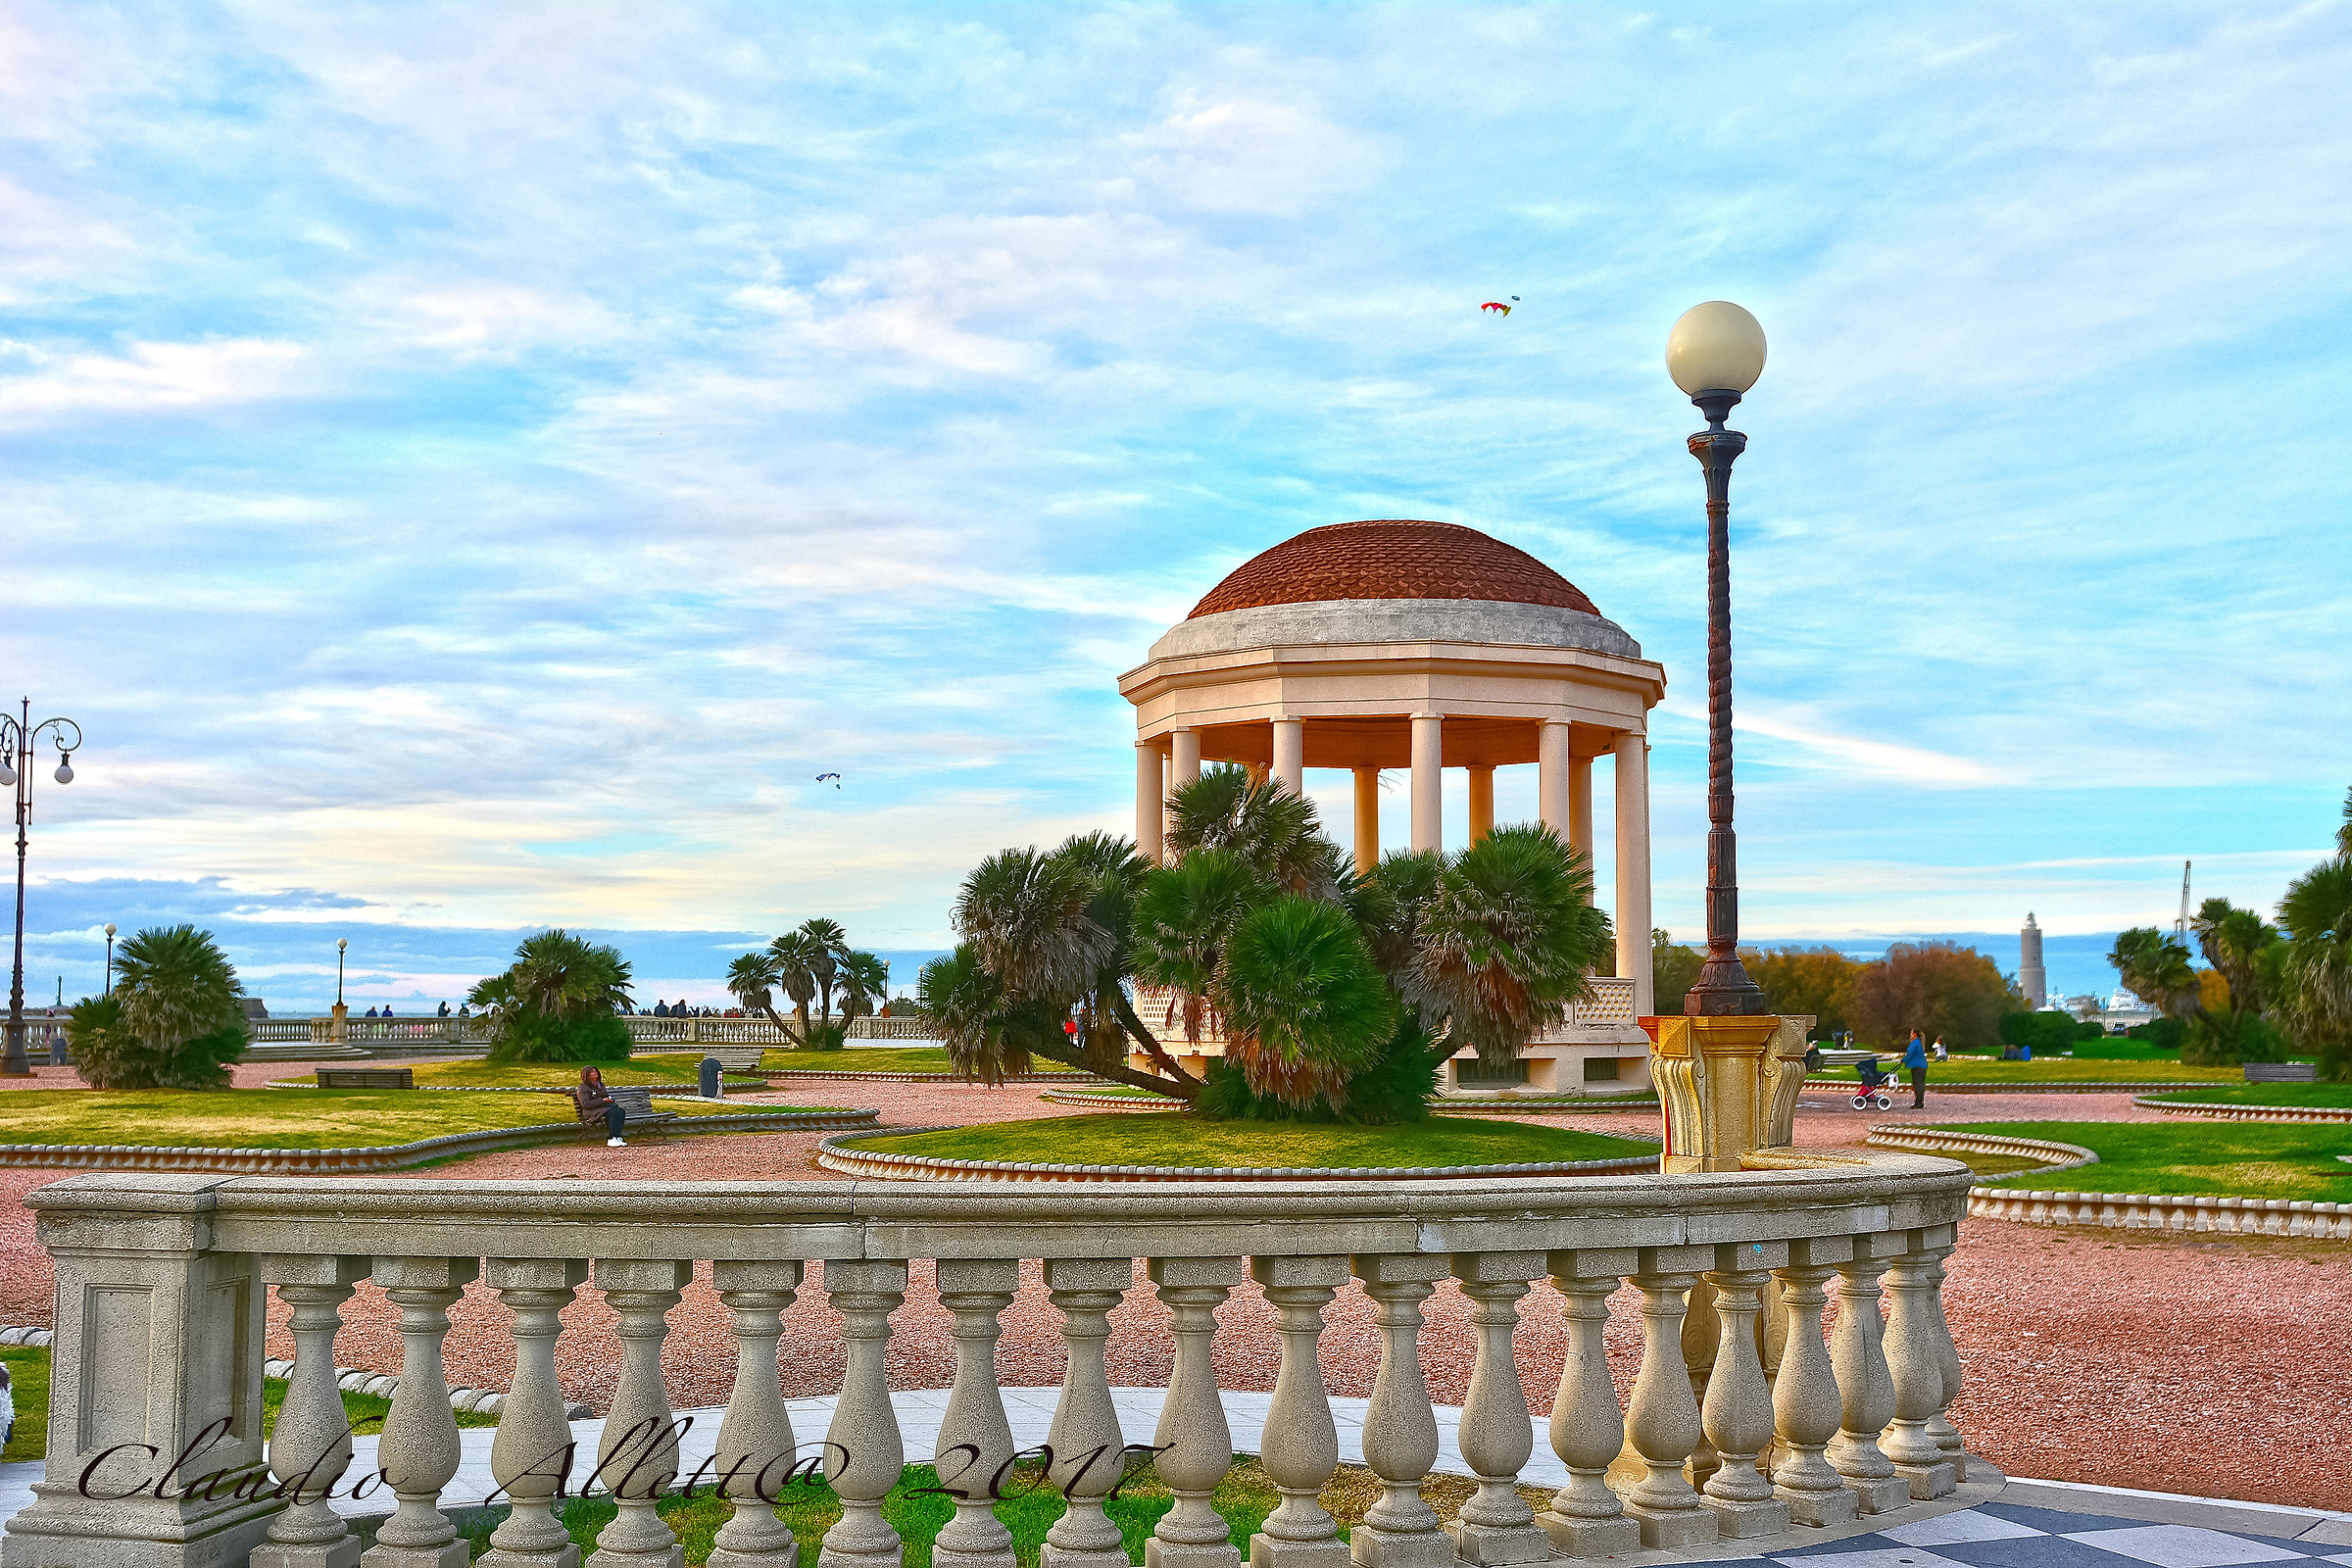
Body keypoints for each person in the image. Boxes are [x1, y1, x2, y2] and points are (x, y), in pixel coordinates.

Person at [577, 1066, 626, 1147]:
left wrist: (610, 1100)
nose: (595, 1073)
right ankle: (611, 1138)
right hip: (591, 1111)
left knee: (620, 1111)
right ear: (587, 1075)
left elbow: (605, 1096)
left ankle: (617, 1136)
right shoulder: (583, 1087)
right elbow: (585, 1104)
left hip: (602, 1108)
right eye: (592, 1072)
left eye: (596, 1071)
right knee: (613, 1112)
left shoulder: (601, 1085)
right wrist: (602, 1100)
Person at [1904, 1028, 1930, 1108]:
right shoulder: (1918, 1043)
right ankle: (1919, 1102)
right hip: (1922, 1065)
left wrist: (1903, 1060)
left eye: (1911, 1033)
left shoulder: (1914, 1043)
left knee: (1918, 1085)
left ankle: (1919, 1103)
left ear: (1914, 1034)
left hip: (1917, 1066)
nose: (1910, 1035)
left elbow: (1910, 1054)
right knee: (1920, 1084)